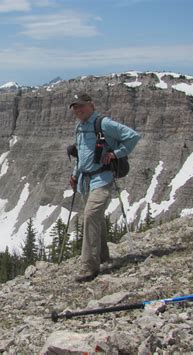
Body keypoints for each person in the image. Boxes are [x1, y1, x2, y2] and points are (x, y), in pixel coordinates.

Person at [69, 93, 140, 282]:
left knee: (91, 215)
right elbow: (81, 154)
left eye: (81, 106)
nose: (78, 110)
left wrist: (116, 153)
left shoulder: (103, 123)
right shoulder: (79, 127)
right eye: (75, 107)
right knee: (96, 218)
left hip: (102, 177)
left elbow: (132, 136)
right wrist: (75, 174)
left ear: (91, 105)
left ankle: (88, 267)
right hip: (86, 180)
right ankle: (103, 257)